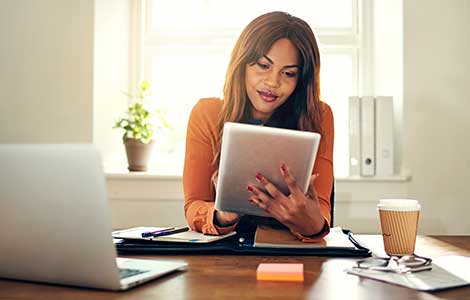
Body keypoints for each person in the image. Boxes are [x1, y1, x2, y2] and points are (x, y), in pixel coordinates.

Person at [183, 11, 334, 241]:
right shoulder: (207, 114)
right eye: (264, 65)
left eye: (289, 73)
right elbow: (194, 205)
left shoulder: (318, 115)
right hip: (225, 257)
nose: (273, 82)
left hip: (293, 254)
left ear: (301, 80)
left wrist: (311, 222)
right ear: (241, 64)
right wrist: (224, 213)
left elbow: (322, 210)